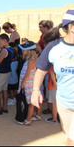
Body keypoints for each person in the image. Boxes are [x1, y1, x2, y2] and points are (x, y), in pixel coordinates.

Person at [31, 9, 74, 145]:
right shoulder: (54, 47)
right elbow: (41, 70)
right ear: (71, 27)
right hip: (63, 102)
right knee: (68, 134)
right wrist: (36, 90)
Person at [16, 41, 42, 126]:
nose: (23, 51)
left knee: (30, 102)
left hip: (28, 84)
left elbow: (27, 74)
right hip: (30, 83)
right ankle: (35, 116)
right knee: (30, 102)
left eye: (24, 49)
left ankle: (28, 120)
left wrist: (22, 83)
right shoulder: (33, 60)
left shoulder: (31, 61)